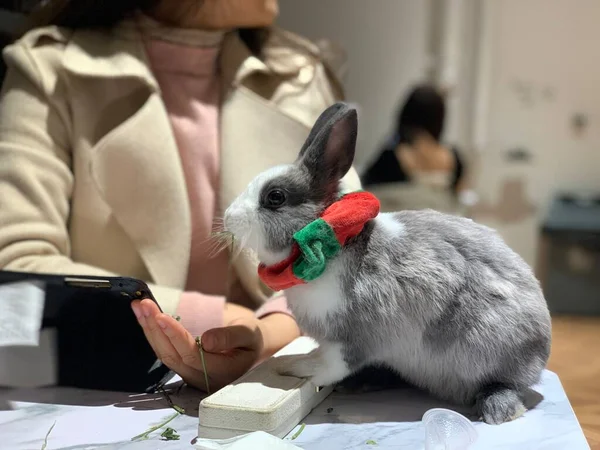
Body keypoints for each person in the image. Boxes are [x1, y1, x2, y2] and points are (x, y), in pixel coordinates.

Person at [0, 0, 361, 391]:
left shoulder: (301, 72)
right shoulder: (49, 70)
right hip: (106, 387)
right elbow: (17, 264)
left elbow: (348, 240)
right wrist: (210, 317)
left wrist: (273, 331)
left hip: (280, 386)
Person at [361, 84, 471, 215]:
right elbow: (459, 197)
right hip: (443, 230)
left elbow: (365, 189)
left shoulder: (392, 156)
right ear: (440, 118)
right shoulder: (454, 157)